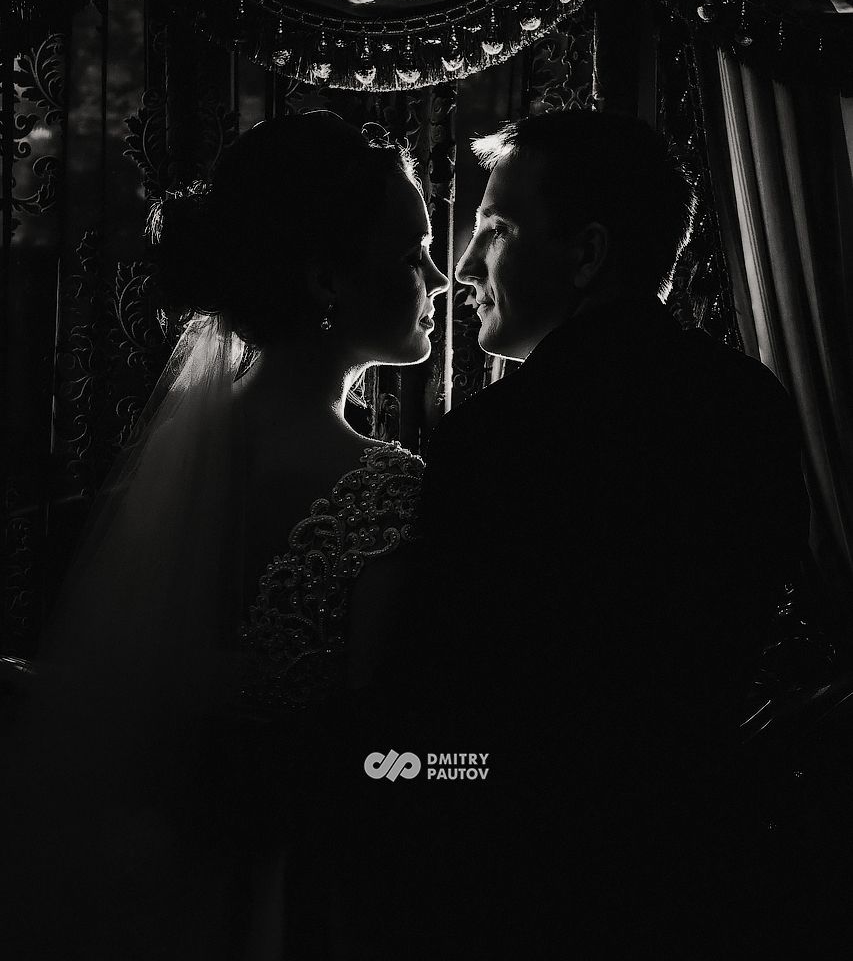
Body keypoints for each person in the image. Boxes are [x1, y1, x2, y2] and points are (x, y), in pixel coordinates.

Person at [2, 110, 447, 960]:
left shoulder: (170, 467)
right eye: (411, 254)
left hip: (143, 880)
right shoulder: (387, 490)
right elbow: (386, 756)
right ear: (326, 280)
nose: (440, 277)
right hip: (297, 893)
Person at [370, 110, 813, 959]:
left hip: (525, 884)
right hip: (710, 874)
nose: (464, 267)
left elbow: (447, 717)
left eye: (495, 230)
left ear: (586, 254)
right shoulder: (750, 402)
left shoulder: (497, 440)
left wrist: (353, 769)